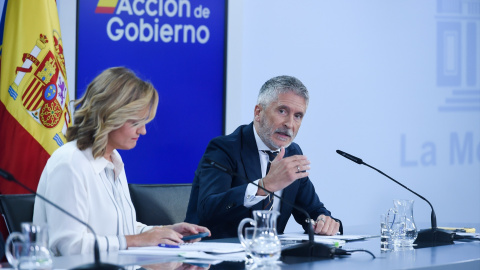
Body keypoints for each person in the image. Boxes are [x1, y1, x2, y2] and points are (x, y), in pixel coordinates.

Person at [33, 67, 210, 256]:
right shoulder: (70, 164)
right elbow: (70, 246)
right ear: (109, 116)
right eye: (135, 123)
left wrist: (165, 232)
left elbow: (120, 229)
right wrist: (138, 241)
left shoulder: (114, 160)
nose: (143, 131)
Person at [185, 75, 341, 239]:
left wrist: (324, 221)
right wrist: (265, 185)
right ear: (258, 112)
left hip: (270, 257)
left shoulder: (292, 153)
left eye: (298, 116)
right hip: (216, 258)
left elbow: (313, 210)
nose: (289, 123)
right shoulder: (224, 148)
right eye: (282, 111)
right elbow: (207, 210)